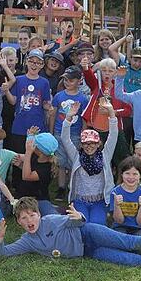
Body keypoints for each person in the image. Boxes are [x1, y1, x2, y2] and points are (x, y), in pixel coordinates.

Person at [0, 197, 141, 276]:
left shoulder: (51, 220)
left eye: (32, 215)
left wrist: (79, 216)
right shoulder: (27, 241)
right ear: (19, 223)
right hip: (89, 252)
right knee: (129, 259)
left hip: (89, 232)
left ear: (39, 214)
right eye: (23, 218)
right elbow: (2, 253)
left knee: (130, 242)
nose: (29, 220)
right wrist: (0, 238)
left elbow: (79, 222)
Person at [59, 99, 117, 224]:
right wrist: (69, 117)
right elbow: (65, 138)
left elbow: (113, 135)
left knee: (97, 225)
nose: (89, 146)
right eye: (86, 143)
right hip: (80, 200)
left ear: (98, 144)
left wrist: (111, 112)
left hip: (99, 201)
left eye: (92, 143)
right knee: (81, 224)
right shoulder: (76, 156)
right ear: (81, 144)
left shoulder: (105, 156)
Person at [49, 67, 89, 201]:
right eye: (65, 80)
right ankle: (61, 188)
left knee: (73, 161)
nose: (67, 82)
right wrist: (51, 131)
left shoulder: (82, 99)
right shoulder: (59, 96)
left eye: (71, 80)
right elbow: (53, 114)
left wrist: (83, 134)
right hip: (59, 132)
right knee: (61, 162)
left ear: (79, 81)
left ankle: (73, 187)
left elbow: (84, 118)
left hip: (75, 134)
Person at [5, 49, 53, 154]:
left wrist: (49, 107)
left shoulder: (44, 82)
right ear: (26, 61)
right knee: (18, 159)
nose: (34, 65)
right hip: (19, 127)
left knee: (34, 160)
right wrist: (7, 91)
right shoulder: (18, 79)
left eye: (38, 62)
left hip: (37, 128)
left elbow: (45, 103)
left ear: (42, 65)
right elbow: (13, 101)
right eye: (32, 61)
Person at [11, 130, 59, 216]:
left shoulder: (46, 169)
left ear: (40, 151)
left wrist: (28, 152)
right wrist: (20, 165)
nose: (32, 145)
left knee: (48, 214)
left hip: (38, 199)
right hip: (24, 196)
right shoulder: (36, 156)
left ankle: (54, 209)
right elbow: (29, 168)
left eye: (34, 145)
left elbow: (26, 176)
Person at [110, 156, 141, 236]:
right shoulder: (115, 192)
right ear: (122, 174)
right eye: (127, 173)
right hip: (120, 227)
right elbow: (119, 221)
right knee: (119, 238)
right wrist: (117, 205)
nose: (131, 177)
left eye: (135, 174)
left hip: (139, 228)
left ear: (140, 175)